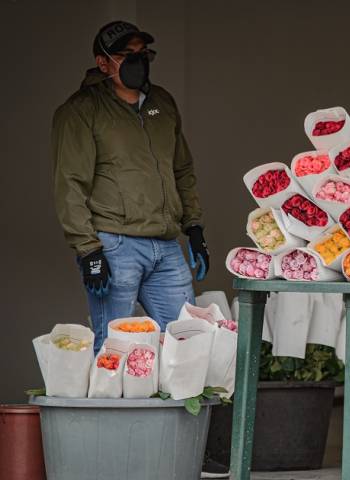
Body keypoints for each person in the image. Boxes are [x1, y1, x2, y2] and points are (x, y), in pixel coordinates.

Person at [51, 21, 227, 479]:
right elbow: (69, 185)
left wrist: (194, 227)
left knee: (185, 348)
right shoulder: (81, 111)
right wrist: (88, 249)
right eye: (128, 54)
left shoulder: (163, 104)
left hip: (166, 247)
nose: (138, 60)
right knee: (117, 351)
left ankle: (185, 451)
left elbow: (182, 168)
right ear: (103, 63)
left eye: (144, 51)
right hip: (114, 243)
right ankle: (111, 458)